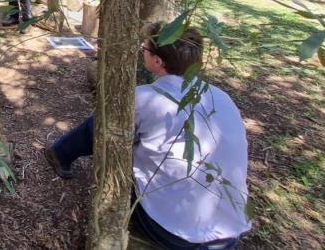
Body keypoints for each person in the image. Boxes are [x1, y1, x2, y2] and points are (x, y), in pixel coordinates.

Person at [44, 23, 251, 249]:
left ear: (158, 61)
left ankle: (62, 152)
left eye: (145, 48)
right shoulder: (222, 98)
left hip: (172, 230)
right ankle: (61, 151)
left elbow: (113, 135)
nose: (142, 51)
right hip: (229, 233)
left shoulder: (144, 98)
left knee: (106, 122)